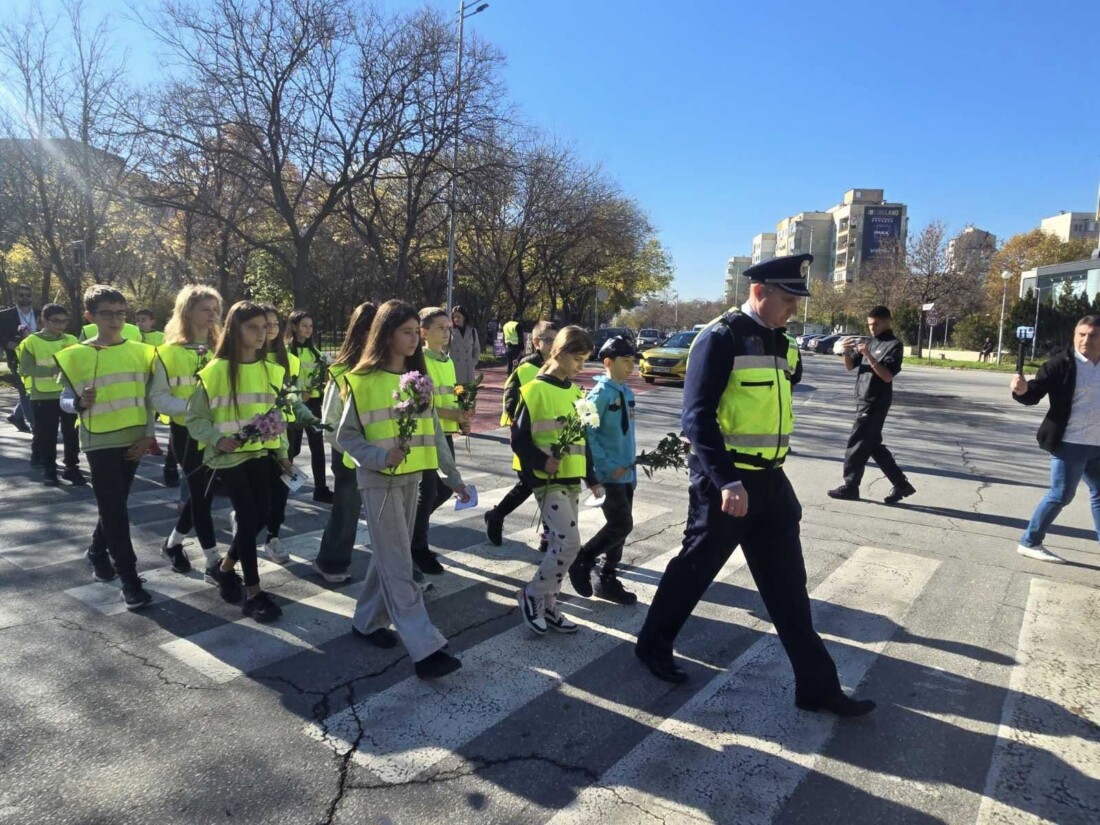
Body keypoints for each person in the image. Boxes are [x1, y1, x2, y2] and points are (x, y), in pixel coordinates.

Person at [635, 254, 875, 717]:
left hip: (771, 483)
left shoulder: (784, 344)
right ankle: (652, 646)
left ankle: (817, 687)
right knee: (694, 570)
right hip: (726, 484)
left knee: (789, 588)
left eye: (796, 302)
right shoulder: (719, 338)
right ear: (759, 292)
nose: (793, 311)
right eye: (787, 300)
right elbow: (696, 418)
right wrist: (726, 480)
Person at [336, 300, 470, 679]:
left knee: (389, 557)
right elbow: (345, 437)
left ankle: (366, 622)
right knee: (398, 564)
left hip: (413, 478)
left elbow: (435, 435)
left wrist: (453, 477)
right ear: (386, 334)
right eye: (407, 332)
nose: (414, 339)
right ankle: (426, 649)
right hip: (379, 482)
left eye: (416, 332)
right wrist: (379, 457)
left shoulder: (419, 380)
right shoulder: (361, 380)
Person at [187, 301, 294, 623]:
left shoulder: (272, 370)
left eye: (265, 327)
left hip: (261, 453)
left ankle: (225, 568)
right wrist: (218, 439)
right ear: (235, 330)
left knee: (261, 517)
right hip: (227, 458)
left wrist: (283, 453)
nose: (262, 334)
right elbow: (195, 419)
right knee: (249, 516)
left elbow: (281, 416)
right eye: (253, 328)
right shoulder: (214, 372)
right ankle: (253, 592)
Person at [56, 285, 157, 610]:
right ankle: (129, 578)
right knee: (115, 510)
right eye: (107, 314)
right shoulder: (76, 354)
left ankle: (97, 551)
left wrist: (148, 436)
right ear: (90, 316)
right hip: (98, 440)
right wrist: (77, 402)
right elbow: (64, 399)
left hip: (133, 438)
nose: (115, 320)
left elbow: (150, 398)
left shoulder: (142, 351)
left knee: (115, 505)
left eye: (120, 313)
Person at [513, 325, 602, 636]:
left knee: (563, 545)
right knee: (568, 542)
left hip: (571, 479)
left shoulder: (575, 391)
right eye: (578, 359)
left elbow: (582, 437)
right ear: (560, 353)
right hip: (546, 480)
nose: (581, 367)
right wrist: (541, 462)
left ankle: (550, 605)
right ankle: (533, 595)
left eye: (585, 360)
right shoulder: (534, 390)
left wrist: (592, 477)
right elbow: (520, 439)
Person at [1011, 315, 1100, 563]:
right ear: (1074, 336)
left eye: (1093, 335)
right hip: (1070, 441)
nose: (1086, 340)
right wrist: (1022, 390)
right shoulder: (1061, 364)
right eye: (1081, 335)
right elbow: (1034, 394)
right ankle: (1030, 541)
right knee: (1061, 495)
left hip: (1098, 443)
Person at [152, 286, 224, 573]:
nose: (213, 315)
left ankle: (172, 544)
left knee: (201, 496)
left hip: (222, 433)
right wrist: (195, 411)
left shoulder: (223, 349)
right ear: (187, 312)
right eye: (206, 309)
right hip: (187, 434)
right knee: (201, 496)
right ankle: (213, 561)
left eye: (216, 309)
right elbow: (159, 398)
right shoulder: (166, 353)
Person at [568, 336, 639, 605]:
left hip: (627, 473)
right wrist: (607, 468)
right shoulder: (596, 395)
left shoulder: (627, 392)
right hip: (610, 474)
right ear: (608, 362)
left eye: (633, 362)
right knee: (621, 523)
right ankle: (584, 558)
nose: (630, 367)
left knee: (620, 528)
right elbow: (588, 435)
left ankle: (608, 578)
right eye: (625, 362)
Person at [314, 301, 377, 583]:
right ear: (362, 333)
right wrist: (352, 450)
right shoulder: (341, 372)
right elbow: (329, 423)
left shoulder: (386, 369)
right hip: (350, 455)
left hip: (381, 454)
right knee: (347, 509)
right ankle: (331, 560)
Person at [827, 306, 915, 505]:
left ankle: (850, 486)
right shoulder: (870, 342)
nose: (872, 328)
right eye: (869, 325)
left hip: (876, 402)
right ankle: (901, 484)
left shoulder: (894, 345)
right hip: (862, 398)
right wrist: (846, 352)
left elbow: (887, 376)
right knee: (873, 446)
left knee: (856, 443)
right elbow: (850, 366)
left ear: (886, 322)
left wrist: (869, 354)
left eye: (875, 324)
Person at [483, 320, 558, 549]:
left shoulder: (558, 366)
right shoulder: (526, 367)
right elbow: (510, 396)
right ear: (536, 343)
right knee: (533, 483)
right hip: (526, 439)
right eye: (550, 340)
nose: (555, 345)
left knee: (538, 484)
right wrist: (516, 425)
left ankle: (498, 516)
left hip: (550, 436)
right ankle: (501, 518)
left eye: (558, 340)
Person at [259, 305, 323, 564]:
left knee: (280, 485)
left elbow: (293, 398)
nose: (271, 329)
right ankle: (247, 520)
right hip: (251, 436)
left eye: (274, 324)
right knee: (258, 489)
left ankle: (273, 536)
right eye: (265, 324)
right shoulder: (243, 359)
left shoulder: (290, 360)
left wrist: (308, 415)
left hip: (282, 433)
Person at [410, 306, 471, 576]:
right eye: (440, 328)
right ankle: (417, 546)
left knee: (444, 489)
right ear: (424, 332)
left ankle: (413, 531)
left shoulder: (446, 359)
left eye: (448, 328)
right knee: (430, 492)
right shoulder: (420, 360)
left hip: (444, 432)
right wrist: (453, 413)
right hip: (425, 434)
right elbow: (427, 405)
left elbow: (450, 395)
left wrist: (461, 418)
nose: (447, 332)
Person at [16, 303, 83, 485]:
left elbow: (80, 363)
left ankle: (71, 467)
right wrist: (54, 370)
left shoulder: (71, 340)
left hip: (68, 394)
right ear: (43, 321)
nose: (61, 325)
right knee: (47, 434)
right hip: (43, 395)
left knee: (71, 433)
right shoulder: (31, 342)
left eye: (64, 321)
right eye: (55, 321)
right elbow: (26, 369)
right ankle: (50, 470)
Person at [286, 310, 333, 502]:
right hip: (295, 405)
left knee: (317, 448)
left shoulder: (316, 352)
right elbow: (286, 380)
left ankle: (320, 489)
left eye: (311, 326)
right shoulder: (287, 351)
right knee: (292, 450)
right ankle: (280, 484)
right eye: (304, 325)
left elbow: (322, 374)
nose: (308, 329)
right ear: (295, 327)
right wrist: (298, 395)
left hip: (313, 403)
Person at [1, 283, 40, 433]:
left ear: (32, 296)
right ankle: (35, 426)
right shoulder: (5, 315)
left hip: (38, 356)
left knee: (31, 390)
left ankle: (17, 416)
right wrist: (6, 343)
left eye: (28, 295)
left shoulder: (39, 313)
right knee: (25, 391)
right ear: (16, 296)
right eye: (21, 295)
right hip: (16, 358)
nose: (25, 298)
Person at [448, 304, 481, 386]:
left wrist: (473, 362)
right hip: (455, 369)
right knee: (457, 396)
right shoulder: (450, 331)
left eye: (458, 317)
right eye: (454, 317)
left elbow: (476, 349)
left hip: (468, 369)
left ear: (464, 317)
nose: (456, 319)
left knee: (468, 396)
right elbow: (444, 349)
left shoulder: (472, 331)